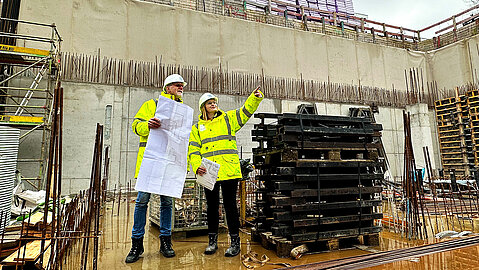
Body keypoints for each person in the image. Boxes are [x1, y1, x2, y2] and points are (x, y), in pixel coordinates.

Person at [188, 87, 264, 257]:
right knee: (212, 207)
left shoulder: (228, 119)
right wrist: (196, 166)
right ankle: (212, 241)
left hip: (228, 169)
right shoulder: (197, 128)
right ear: (203, 107)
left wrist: (254, 98)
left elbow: (245, 112)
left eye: (214, 102)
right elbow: (193, 150)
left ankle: (235, 242)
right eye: (209, 103)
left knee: (230, 206)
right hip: (208, 173)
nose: (213, 104)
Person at [125, 74, 187, 263]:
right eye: (177, 85)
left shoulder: (182, 111)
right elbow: (135, 126)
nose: (181, 88)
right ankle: (136, 244)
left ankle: (166, 242)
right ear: (167, 87)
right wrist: (147, 125)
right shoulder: (151, 104)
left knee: (167, 203)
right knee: (142, 202)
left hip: (168, 163)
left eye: (182, 86)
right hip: (149, 162)